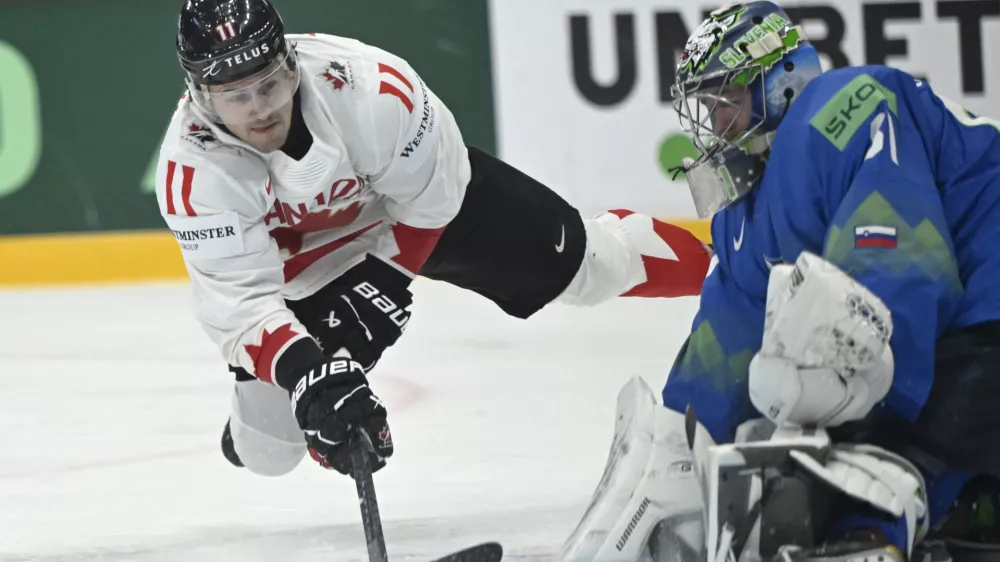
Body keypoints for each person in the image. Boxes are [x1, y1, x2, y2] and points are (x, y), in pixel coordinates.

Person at [154, 0, 711, 479]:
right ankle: (256, 416)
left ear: (291, 64)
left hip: (409, 214)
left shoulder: (371, 88)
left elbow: (435, 194)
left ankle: (726, 269)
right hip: (308, 269)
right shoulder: (193, 171)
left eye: (269, 83)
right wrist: (309, 378)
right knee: (269, 452)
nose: (260, 109)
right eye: (235, 96)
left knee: (588, 267)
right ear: (201, 97)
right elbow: (241, 304)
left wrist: (386, 282)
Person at [558, 2, 1000, 562]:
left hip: (987, 300)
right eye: (708, 108)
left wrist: (862, 394)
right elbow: (725, 342)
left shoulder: (843, 104)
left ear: (783, 83)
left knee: (869, 455)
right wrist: (678, 452)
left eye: (729, 102)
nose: (716, 125)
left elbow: (900, 252)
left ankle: (882, 534)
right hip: (960, 322)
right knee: (777, 472)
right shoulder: (746, 212)